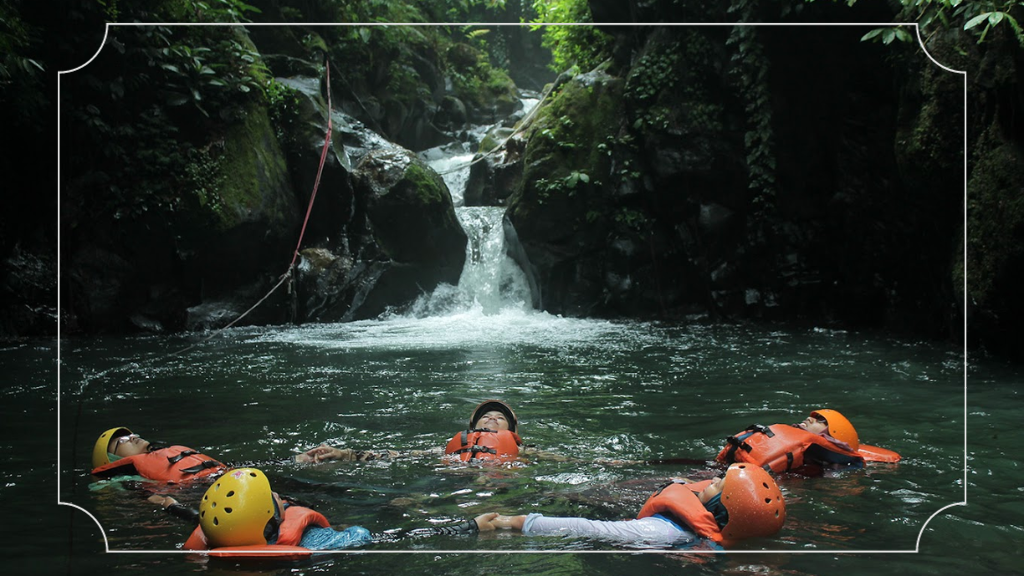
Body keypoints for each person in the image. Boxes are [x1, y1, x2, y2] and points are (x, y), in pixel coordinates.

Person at [151, 467, 492, 555]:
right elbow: (395, 537)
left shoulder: (219, 534)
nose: (281, 497)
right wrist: (468, 527)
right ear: (270, 518)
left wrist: (172, 506)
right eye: (275, 499)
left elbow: (205, 520)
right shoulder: (318, 540)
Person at [476, 463, 786, 549]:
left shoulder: (660, 532)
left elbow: (587, 529)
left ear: (721, 507)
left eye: (716, 485)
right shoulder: (730, 533)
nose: (706, 483)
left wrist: (510, 522)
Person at [296, 400, 536, 465]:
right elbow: (400, 455)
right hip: (455, 480)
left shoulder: (524, 451)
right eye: (486, 416)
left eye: (500, 417)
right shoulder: (450, 447)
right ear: (473, 427)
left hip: (501, 483)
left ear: (512, 430)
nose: (492, 418)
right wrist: (344, 454)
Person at [715, 409, 901, 474]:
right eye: (813, 417)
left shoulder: (833, 468)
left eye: (821, 421)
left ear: (833, 438)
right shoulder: (787, 441)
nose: (810, 419)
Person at [91, 426, 226, 483]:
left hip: (220, 477)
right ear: (112, 460)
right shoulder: (125, 481)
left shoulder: (169, 453)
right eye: (122, 441)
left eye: (132, 435)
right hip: (194, 491)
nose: (132, 438)